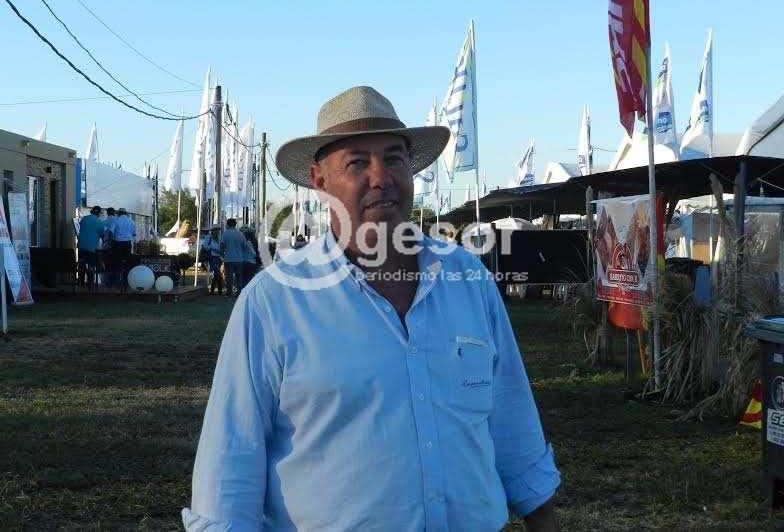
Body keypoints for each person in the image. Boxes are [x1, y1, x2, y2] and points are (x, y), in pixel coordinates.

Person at [183, 86, 560, 531]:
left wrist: (542, 516)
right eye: (358, 162)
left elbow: (512, 415)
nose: (381, 177)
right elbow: (230, 464)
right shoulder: (273, 302)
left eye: (394, 159)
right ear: (319, 182)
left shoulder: (467, 280)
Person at [76, 205, 104, 289]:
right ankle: (90, 283)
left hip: (81, 245)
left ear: (91, 212)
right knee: (91, 265)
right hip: (91, 247)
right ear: (99, 214)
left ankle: (80, 282)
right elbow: (102, 234)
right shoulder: (99, 222)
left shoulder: (84, 218)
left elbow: (80, 227)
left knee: (81, 264)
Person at [220, 218, 247, 295]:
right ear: (235, 224)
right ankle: (239, 292)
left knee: (229, 277)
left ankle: (229, 292)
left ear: (228, 224)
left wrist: (222, 255)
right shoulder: (240, 234)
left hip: (228, 259)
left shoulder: (225, 233)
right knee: (239, 277)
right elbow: (244, 246)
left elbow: (222, 246)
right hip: (239, 259)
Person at [112, 208, 136, 289]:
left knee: (117, 262)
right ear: (126, 213)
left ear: (119, 213)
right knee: (127, 262)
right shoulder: (131, 221)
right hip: (127, 244)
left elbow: (111, 231)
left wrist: (112, 239)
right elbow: (134, 234)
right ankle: (126, 280)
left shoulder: (116, 220)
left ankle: (117, 281)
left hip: (118, 243)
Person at [201, 227, 223, 295]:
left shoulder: (218, 238)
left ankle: (213, 291)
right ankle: (218, 291)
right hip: (212, 257)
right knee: (218, 273)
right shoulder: (209, 237)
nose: (217, 232)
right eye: (216, 230)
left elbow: (220, 247)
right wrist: (213, 248)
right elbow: (205, 246)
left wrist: (220, 250)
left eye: (218, 230)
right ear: (212, 231)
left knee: (217, 274)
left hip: (218, 257)